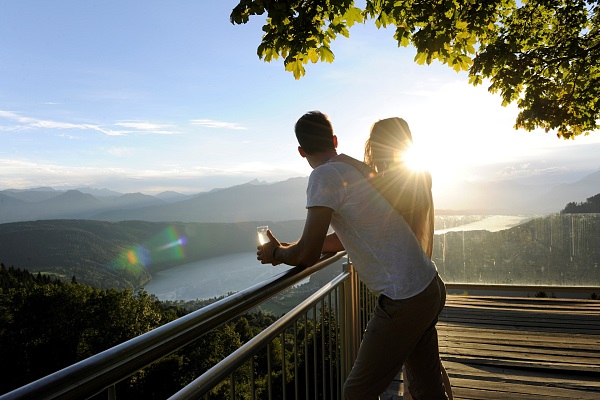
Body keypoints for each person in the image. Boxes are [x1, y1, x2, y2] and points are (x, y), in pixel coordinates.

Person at [257, 111, 449, 399]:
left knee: (356, 393)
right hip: (429, 286)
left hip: (404, 299)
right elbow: (349, 237)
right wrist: (287, 248)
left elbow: (308, 254)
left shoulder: (323, 176)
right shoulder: (352, 171)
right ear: (334, 139)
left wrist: (277, 253)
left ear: (301, 151)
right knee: (426, 387)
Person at [363, 117, 453, 400]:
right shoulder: (419, 175)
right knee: (425, 381)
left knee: (358, 389)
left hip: (408, 294)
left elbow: (360, 228)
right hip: (428, 283)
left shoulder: (392, 183)